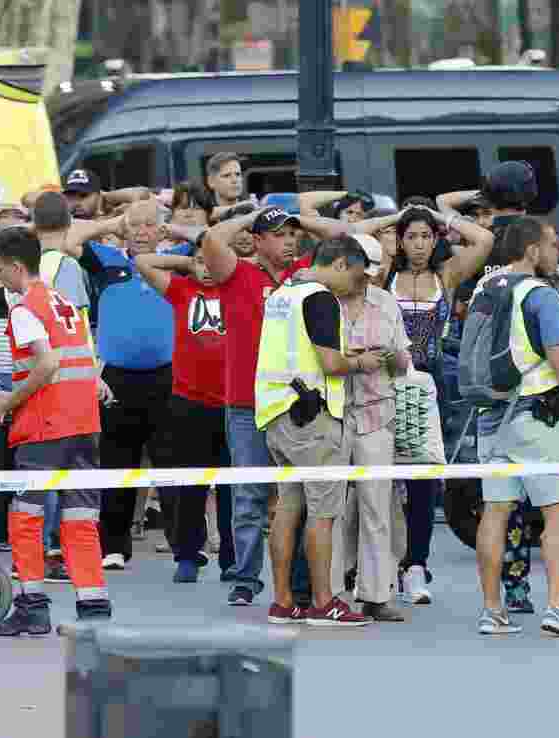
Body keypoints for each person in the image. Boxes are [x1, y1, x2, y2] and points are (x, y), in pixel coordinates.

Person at [201, 205, 348, 607]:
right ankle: (246, 579)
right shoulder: (236, 272)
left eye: (292, 234)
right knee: (250, 495)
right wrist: (251, 216)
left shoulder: (303, 271)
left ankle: (298, 588)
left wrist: (298, 214)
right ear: (258, 240)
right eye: (279, 234)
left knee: (295, 499)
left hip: (293, 405)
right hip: (247, 403)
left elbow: (340, 235)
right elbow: (212, 239)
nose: (289, 241)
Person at [474, 217, 559, 637]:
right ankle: (555, 607)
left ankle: (493, 611)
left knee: (495, 511)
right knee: (558, 511)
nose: (557, 253)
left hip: (489, 416)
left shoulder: (484, 288)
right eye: (551, 245)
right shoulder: (540, 295)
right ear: (532, 250)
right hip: (536, 415)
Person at [0, 227, 112, 635]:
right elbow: (85, 365)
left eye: (0, 269)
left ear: (17, 267)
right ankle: (93, 605)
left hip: (44, 425)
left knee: (26, 516)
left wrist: (8, 400)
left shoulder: (25, 308)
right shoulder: (64, 303)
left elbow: (46, 364)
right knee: (80, 515)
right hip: (84, 423)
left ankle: (32, 607)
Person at [54, 200, 190, 571]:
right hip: (116, 379)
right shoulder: (108, 261)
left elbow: (208, 241)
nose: (143, 232)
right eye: (137, 226)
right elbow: (67, 238)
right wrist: (115, 221)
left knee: (170, 461)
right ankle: (113, 545)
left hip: (167, 376)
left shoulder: (177, 258)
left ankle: (184, 546)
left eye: (150, 226)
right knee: (116, 461)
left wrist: (173, 229)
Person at [256, 236, 379, 626]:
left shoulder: (282, 293)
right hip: (313, 416)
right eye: (358, 276)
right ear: (341, 264)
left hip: (277, 413)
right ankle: (325, 602)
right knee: (323, 513)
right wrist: (364, 363)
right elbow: (329, 362)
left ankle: (282, 601)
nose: (359, 285)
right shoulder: (320, 297)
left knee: (287, 507)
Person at [385, 204, 496, 605]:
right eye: (411, 237)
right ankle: (382, 564)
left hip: (430, 385)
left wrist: (438, 215)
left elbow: (484, 239)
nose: (418, 245)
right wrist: (398, 217)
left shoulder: (445, 276)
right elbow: (344, 230)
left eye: (425, 237)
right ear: (400, 240)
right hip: (384, 383)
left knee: (423, 478)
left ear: (436, 240)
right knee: (379, 479)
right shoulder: (385, 273)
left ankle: (416, 564)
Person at [135, 245, 234, 583]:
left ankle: (231, 560)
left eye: (213, 263)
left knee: (230, 488)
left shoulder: (237, 289)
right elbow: (142, 260)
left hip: (232, 402)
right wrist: (186, 261)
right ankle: (188, 555)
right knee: (191, 484)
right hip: (189, 402)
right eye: (200, 262)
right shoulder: (181, 289)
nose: (206, 269)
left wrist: (222, 260)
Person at [332, 234, 412, 622]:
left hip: (377, 411)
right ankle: (327, 593)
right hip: (330, 413)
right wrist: (351, 361)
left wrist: (394, 357)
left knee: (377, 506)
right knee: (327, 507)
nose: (369, 279)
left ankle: (377, 594)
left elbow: (403, 363)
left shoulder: (386, 303)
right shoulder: (321, 301)